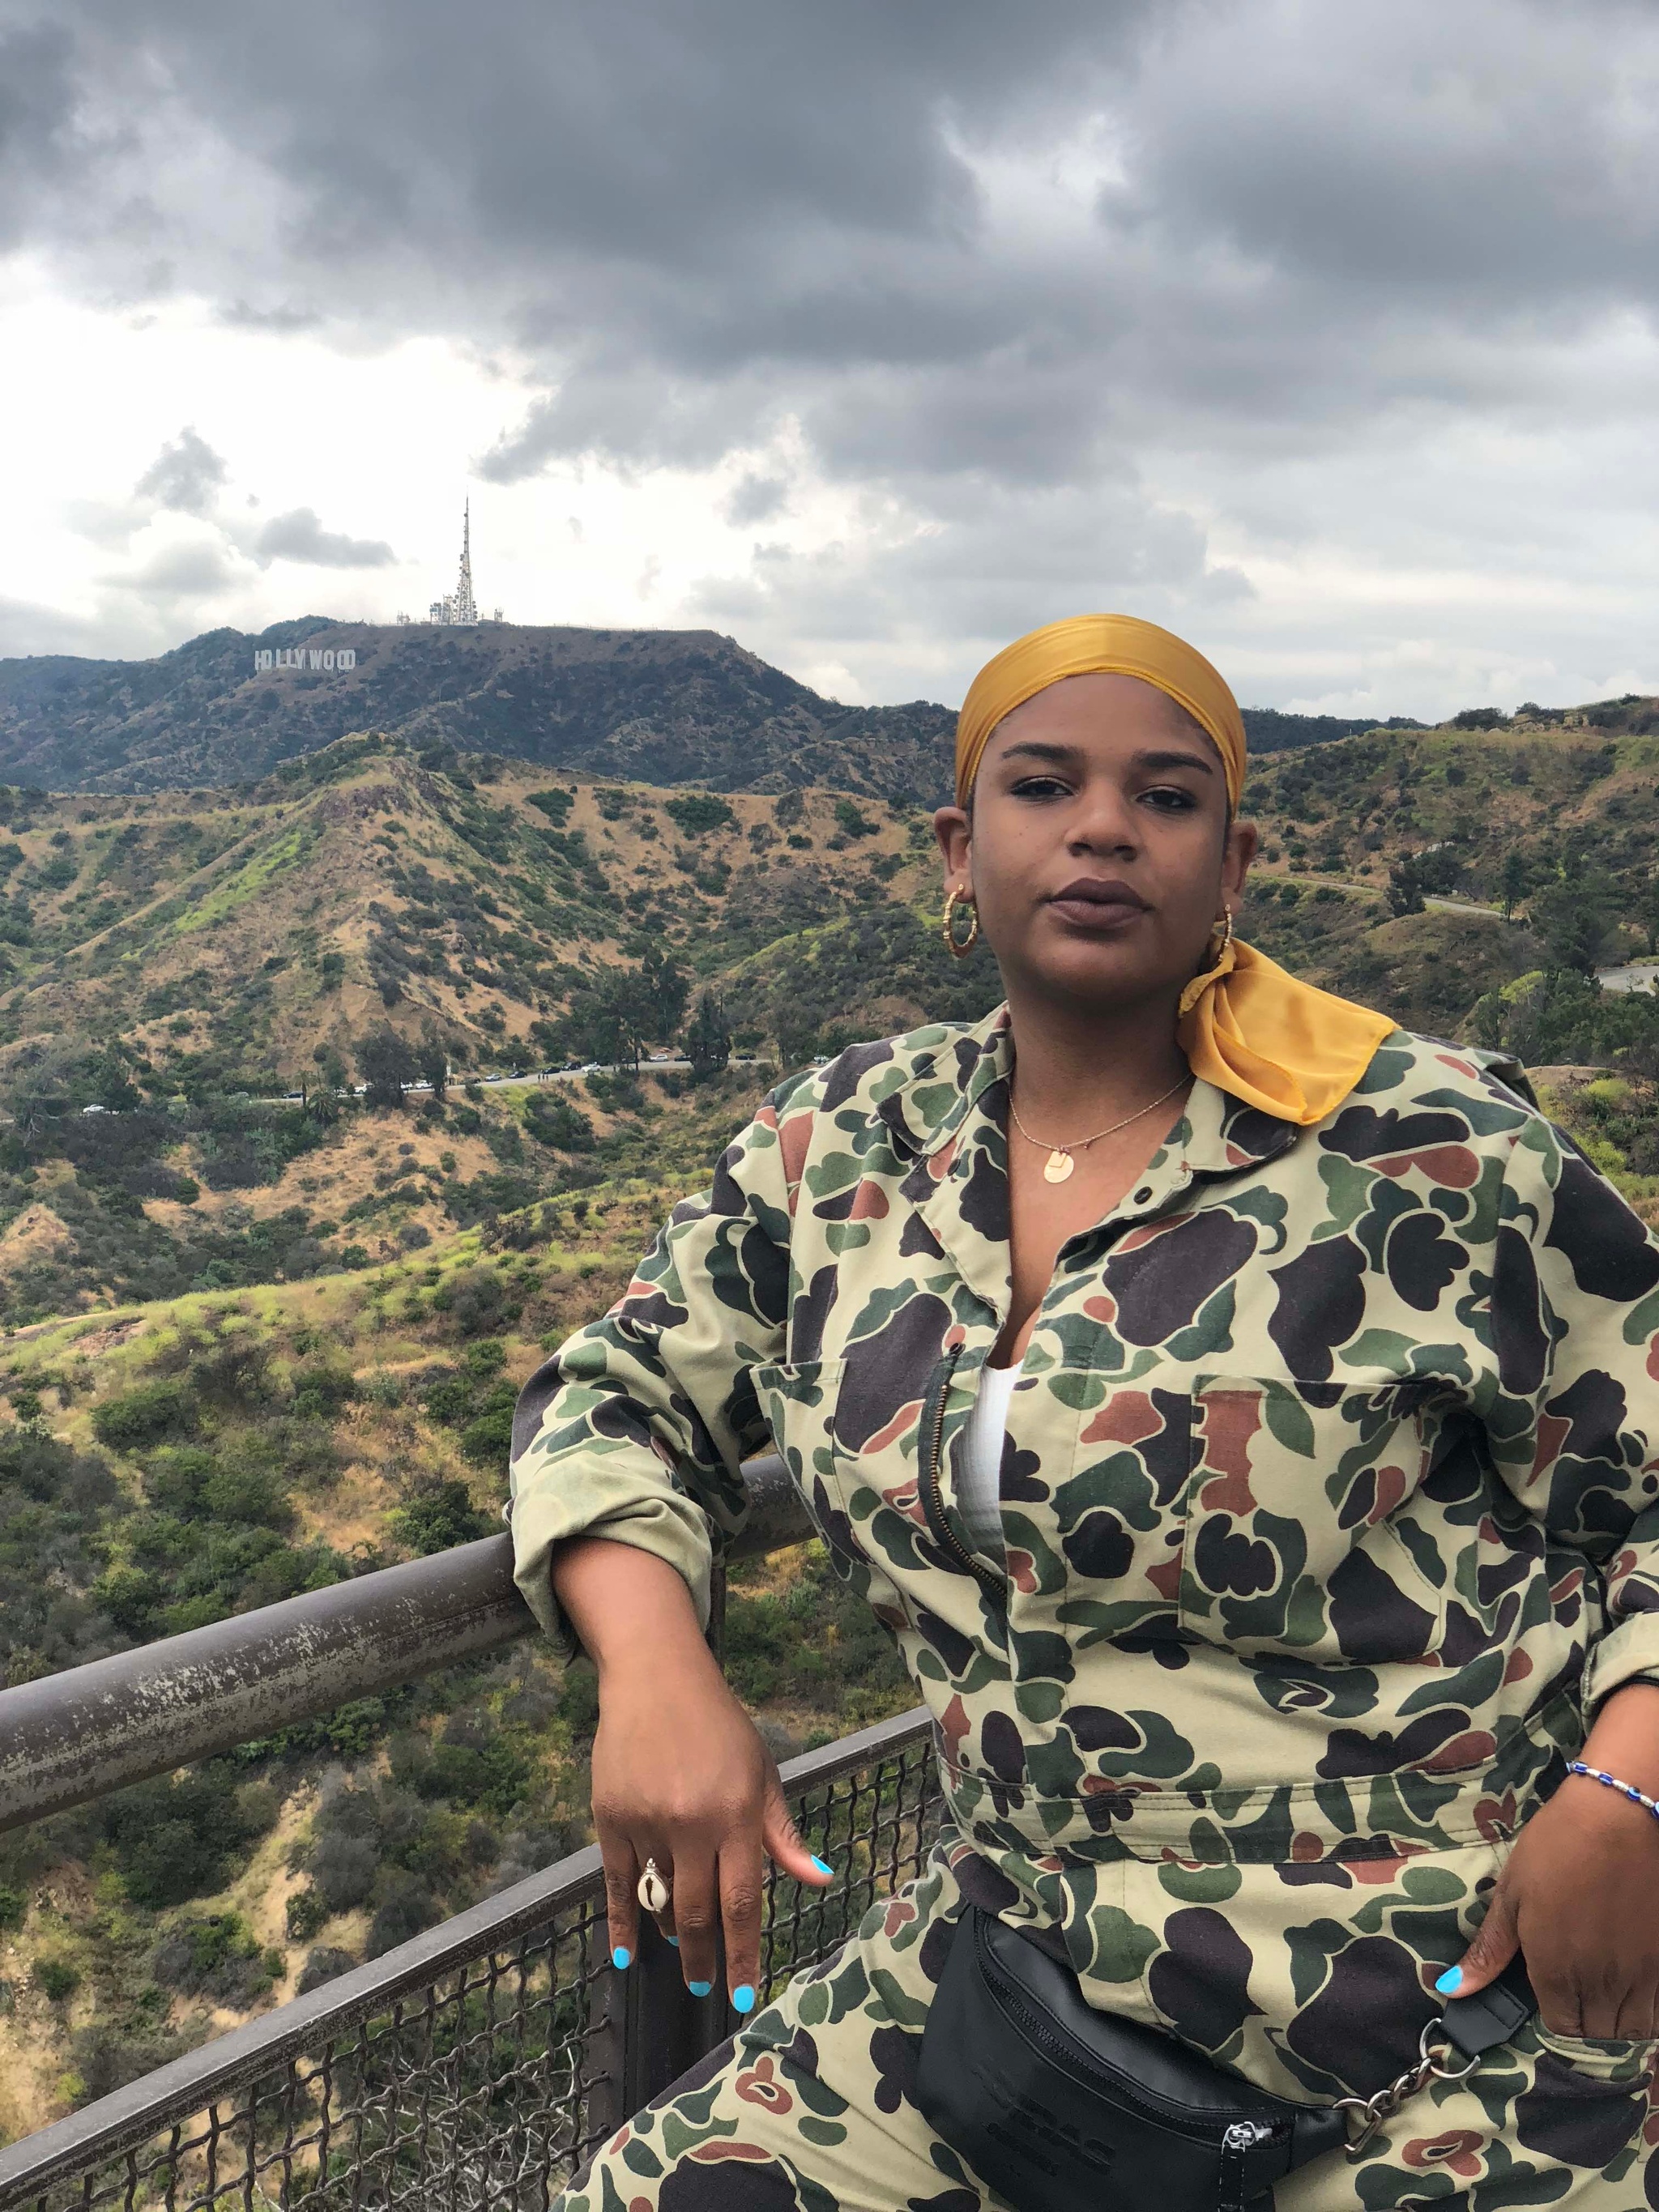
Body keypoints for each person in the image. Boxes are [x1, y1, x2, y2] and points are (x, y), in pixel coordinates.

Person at [510, 614, 1659, 2211]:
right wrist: (652, 1669)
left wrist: (1630, 1784)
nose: (1102, 826)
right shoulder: (838, 1145)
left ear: (1231, 861)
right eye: (1042, 784)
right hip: (1021, 1964)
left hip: (1448, 1996)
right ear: (956, 848)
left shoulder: (1427, 1149)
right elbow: (611, 1393)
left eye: (1166, 796)